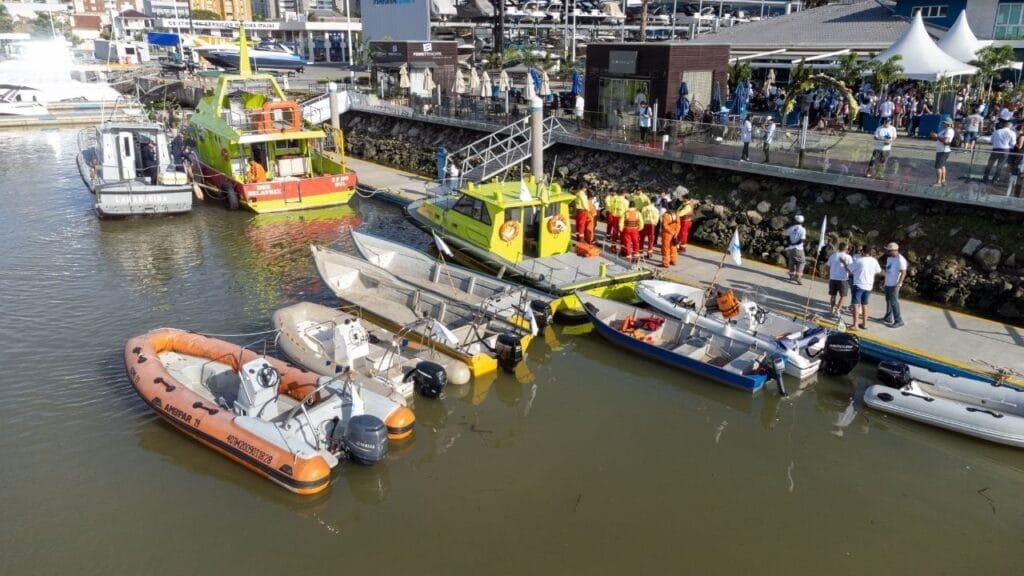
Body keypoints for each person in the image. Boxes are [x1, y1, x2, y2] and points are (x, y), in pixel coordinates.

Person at [849, 245, 882, 331]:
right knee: (865, 304)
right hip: (869, 285)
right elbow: (878, 271)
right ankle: (865, 324)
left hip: (859, 284)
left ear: (863, 251)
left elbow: (849, 270)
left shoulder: (859, 260)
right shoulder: (874, 261)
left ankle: (855, 325)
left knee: (855, 305)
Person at [882, 242, 908, 328]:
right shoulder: (889, 258)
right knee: (888, 300)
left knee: (894, 302)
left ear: (894, 250)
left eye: (889, 251)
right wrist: (884, 281)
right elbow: (888, 270)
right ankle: (888, 317)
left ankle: (899, 320)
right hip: (888, 283)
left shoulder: (901, 259)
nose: (887, 252)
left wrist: (899, 283)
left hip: (895, 284)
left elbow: (903, 272)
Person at [825, 242, 853, 317]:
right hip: (843, 279)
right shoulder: (848, 257)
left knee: (833, 295)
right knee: (843, 296)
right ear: (846, 249)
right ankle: (837, 310)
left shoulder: (833, 256)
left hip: (833, 278)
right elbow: (851, 269)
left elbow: (827, 266)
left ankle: (832, 309)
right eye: (848, 249)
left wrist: (829, 274)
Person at [931, 118, 954, 187]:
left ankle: (939, 182)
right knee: (942, 166)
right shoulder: (945, 130)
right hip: (941, 150)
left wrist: (937, 136)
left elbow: (946, 141)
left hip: (943, 150)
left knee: (938, 167)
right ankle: (943, 180)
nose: (942, 123)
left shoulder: (949, 130)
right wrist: (935, 136)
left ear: (946, 123)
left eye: (943, 122)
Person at [784, 214, 807, 284]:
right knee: (802, 262)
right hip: (798, 248)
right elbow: (802, 240)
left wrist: (791, 244)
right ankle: (798, 277)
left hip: (790, 248)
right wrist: (795, 244)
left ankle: (791, 275)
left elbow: (787, 238)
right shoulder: (803, 229)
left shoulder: (790, 228)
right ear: (802, 222)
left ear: (795, 221)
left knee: (792, 261)